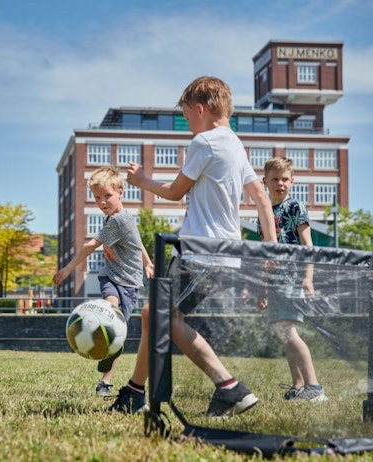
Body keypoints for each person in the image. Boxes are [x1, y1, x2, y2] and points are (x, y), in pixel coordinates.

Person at [108, 76, 278, 417]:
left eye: (187, 117)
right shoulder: (234, 144)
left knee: (160, 316)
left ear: (201, 109)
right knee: (152, 314)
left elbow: (174, 191)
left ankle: (229, 386)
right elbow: (260, 197)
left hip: (199, 252)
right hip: (223, 254)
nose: (188, 125)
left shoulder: (205, 142)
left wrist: (141, 181)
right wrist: (269, 248)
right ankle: (134, 392)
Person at [53, 166, 154, 396]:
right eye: (97, 197)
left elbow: (92, 245)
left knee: (116, 332)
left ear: (121, 192)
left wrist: (68, 269)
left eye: (107, 196)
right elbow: (138, 244)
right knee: (111, 308)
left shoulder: (120, 221)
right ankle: (105, 352)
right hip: (110, 277)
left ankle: (105, 381)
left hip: (128, 284)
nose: (102, 202)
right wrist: (147, 263)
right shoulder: (114, 218)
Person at [257, 157, 326, 402]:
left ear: (292, 181)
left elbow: (308, 245)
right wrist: (263, 289)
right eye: (275, 179)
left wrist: (308, 278)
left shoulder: (295, 207)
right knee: (284, 332)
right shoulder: (264, 212)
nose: (280, 184)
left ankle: (314, 388)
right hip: (274, 282)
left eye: (285, 179)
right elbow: (266, 255)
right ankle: (298, 386)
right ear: (265, 181)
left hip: (292, 279)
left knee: (289, 331)